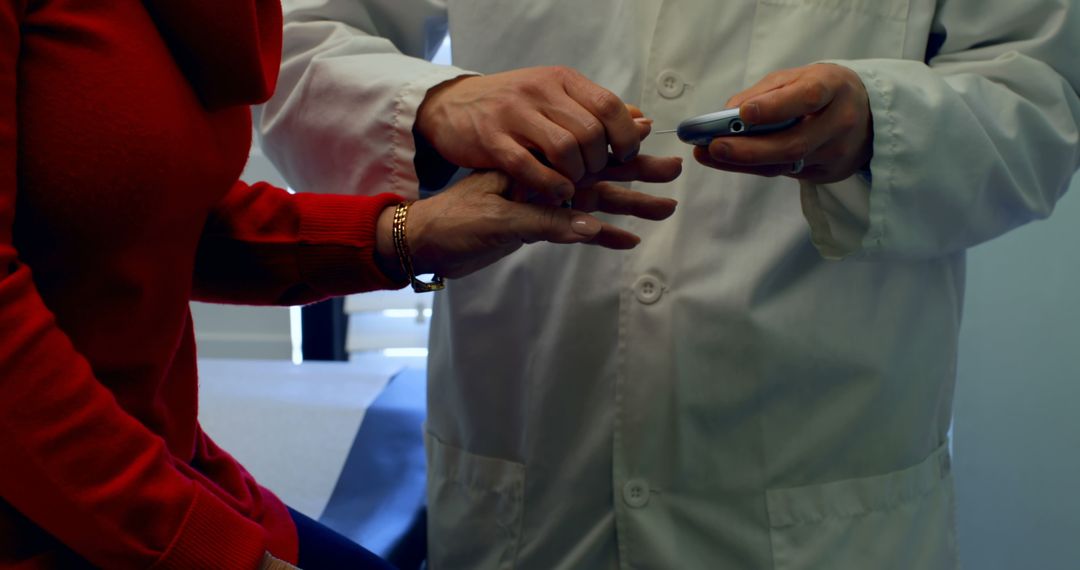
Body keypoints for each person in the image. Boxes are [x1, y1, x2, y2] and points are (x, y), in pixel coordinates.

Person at [257, 1, 1080, 568]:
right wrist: (437, 103)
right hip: (529, 468)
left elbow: (1040, 97)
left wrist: (879, 122)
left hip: (822, 487)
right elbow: (289, 34)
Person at [0, 1, 681, 568]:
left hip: (161, 460)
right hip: (54, 506)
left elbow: (154, 219)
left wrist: (411, 233)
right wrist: (208, 551)